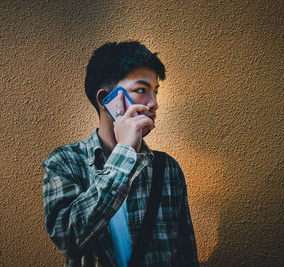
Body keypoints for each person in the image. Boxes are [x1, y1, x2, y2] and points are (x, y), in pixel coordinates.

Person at [42, 41, 198, 266]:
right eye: (142, 90)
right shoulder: (65, 162)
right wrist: (124, 152)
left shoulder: (168, 169)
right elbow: (67, 240)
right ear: (107, 100)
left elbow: (186, 256)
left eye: (155, 92)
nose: (154, 103)